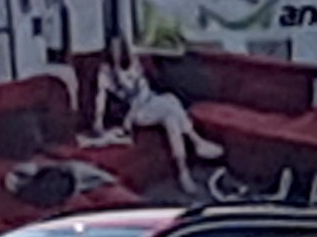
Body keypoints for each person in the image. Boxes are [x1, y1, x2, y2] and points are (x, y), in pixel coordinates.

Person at [92, 36, 225, 199]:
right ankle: (195, 145)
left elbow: (143, 90)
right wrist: (98, 121)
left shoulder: (133, 64)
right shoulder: (105, 72)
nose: (116, 53)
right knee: (169, 111)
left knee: (171, 105)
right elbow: (101, 97)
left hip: (148, 101)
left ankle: (185, 169)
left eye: (119, 50)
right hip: (133, 113)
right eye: (113, 50)